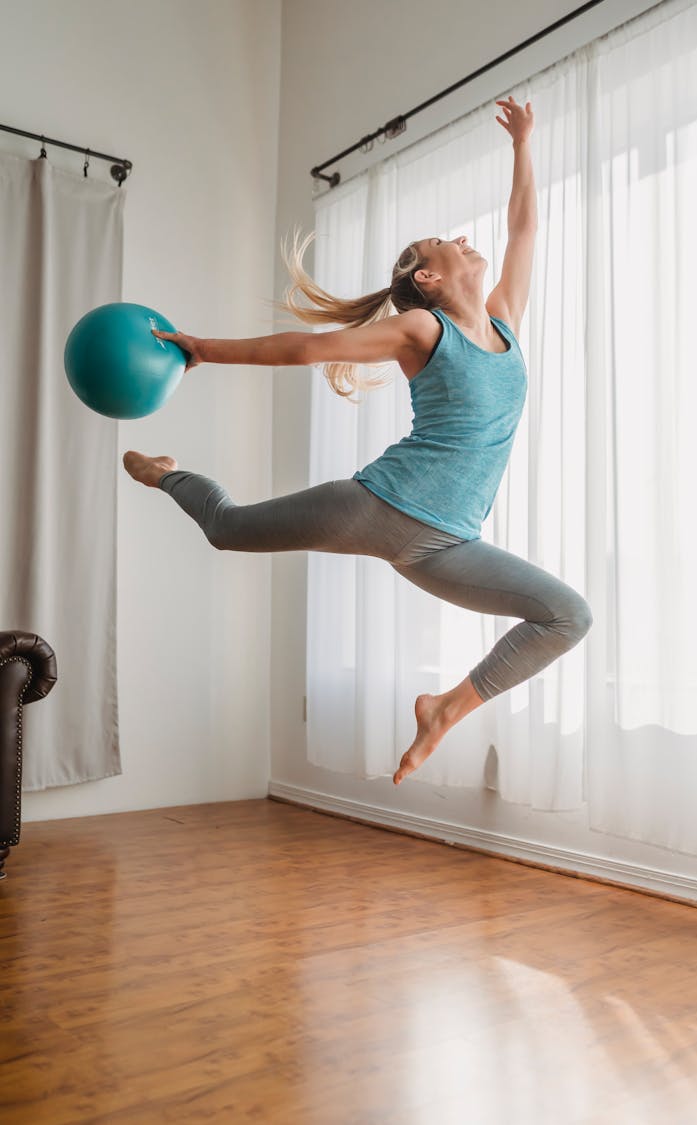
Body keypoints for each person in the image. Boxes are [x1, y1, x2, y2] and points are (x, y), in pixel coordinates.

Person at [124, 97, 593, 786]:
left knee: (567, 615)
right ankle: (165, 473)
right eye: (441, 241)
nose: (462, 238)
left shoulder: (505, 322)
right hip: (378, 506)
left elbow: (524, 228)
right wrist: (203, 349)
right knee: (225, 528)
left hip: (450, 544)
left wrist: (523, 143)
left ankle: (443, 709)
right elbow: (309, 347)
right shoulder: (424, 332)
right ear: (426, 279)